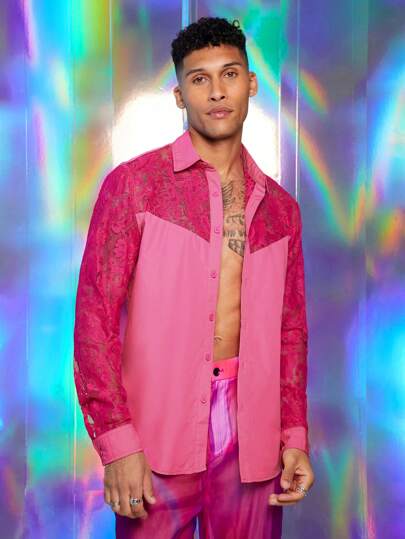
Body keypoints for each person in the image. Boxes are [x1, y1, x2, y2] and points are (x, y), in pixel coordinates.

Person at [73, 16, 315, 539]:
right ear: (180, 96)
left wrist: (294, 436)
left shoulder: (281, 210)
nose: (217, 91)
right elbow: (94, 319)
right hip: (157, 435)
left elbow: (291, 331)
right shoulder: (134, 186)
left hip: (254, 439)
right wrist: (117, 443)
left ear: (251, 84)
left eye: (230, 74)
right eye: (199, 79)